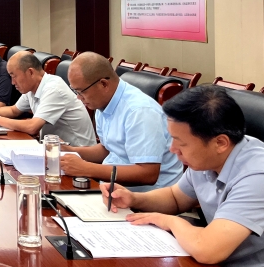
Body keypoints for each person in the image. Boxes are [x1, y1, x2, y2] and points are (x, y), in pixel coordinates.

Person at [103, 86, 264, 267]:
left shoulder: (259, 175)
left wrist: (169, 221)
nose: (172, 149)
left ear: (220, 143)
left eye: (181, 143)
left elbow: (207, 250)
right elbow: (175, 197)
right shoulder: (208, 158)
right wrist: (134, 199)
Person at [61, 52, 182, 191]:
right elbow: (108, 149)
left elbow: (148, 174)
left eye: (81, 91)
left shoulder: (140, 111)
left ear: (103, 84)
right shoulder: (102, 102)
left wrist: (87, 168)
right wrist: (70, 151)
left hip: (149, 197)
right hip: (113, 189)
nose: (78, 97)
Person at [0, 52, 96, 147]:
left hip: (77, 154)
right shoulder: (32, 87)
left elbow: (32, 127)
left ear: (30, 72)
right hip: (54, 150)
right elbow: (14, 110)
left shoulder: (54, 89)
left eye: (14, 76)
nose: (12, 82)